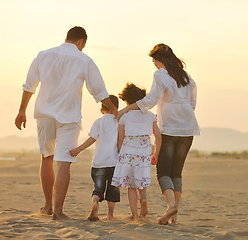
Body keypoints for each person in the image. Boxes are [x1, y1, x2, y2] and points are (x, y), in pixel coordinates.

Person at [14, 26, 118, 220]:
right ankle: (59, 211)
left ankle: (47, 207)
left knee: (47, 158)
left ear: (67, 38)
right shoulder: (84, 60)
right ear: (82, 42)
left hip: (44, 114)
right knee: (64, 163)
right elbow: (100, 92)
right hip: (68, 117)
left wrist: (21, 111)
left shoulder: (43, 55)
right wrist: (114, 111)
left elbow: (30, 85)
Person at [117, 43, 200, 225]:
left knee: (163, 171)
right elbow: (192, 101)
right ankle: (174, 217)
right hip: (188, 129)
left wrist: (126, 109)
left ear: (159, 59)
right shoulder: (186, 76)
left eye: (154, 60)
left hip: (169, 128)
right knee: (177, 172)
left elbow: (150, 100)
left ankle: (171, 206)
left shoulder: (161, 74)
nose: (154, 64)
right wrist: (183, 115)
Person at [111, 83, 162, 220]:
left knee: (130, 184)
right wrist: (155, 152)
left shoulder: (125, 117)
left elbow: (120, 138)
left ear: (126, 100)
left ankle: (134, 215)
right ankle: (143, 199)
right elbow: (158, 135)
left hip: (128, 148)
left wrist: (121, 153)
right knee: (141, 178)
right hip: (144, 147)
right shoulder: (150, 115)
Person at [69, 95, 120, 221]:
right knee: (112, 189)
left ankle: (95, 203)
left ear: (101, 110)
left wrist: (78, 149)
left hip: (99, 162)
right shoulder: (119, 122)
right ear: (117, 108)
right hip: (114, 162)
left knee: (98, 188)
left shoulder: (98, 122)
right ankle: (110, 215)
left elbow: (91, 139)